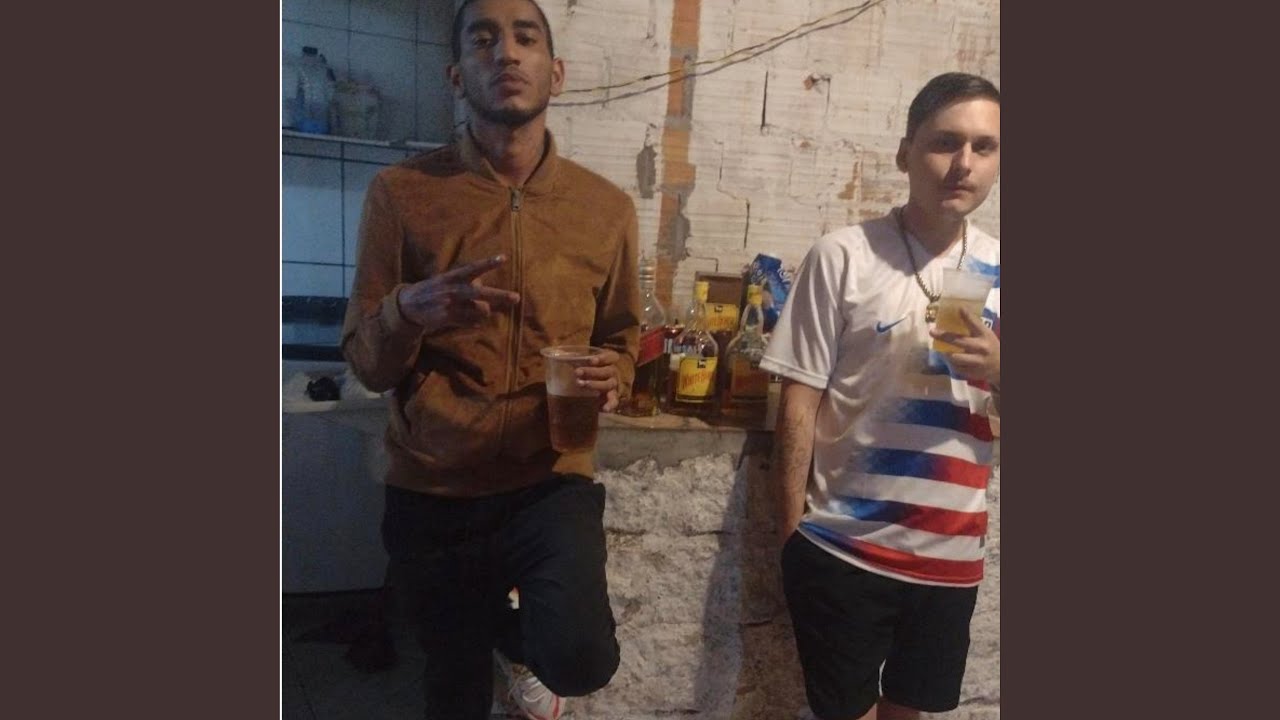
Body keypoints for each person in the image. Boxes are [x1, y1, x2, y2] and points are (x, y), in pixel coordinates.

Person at [340, 0, 640, 717]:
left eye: (524, 38)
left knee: (580, 659)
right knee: (453, 689)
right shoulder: (402, 194)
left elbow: (622, 338)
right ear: (455, 76)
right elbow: (367, 365)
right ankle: (487, 636)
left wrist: (619, 373)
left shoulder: (605, 209)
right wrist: (408, 311)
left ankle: (512, 641)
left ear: (555, 72)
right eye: (483, 40)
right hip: (434, 486)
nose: (505, 53)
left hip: (549, 480)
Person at [760, 72, 1001, 720]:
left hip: (951, 558)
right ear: (905, 154)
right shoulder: (843, 256)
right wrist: (791, 538)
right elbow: (799, 400)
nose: (964, 163)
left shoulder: (1002, 269)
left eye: (984, 146)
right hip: (844, 548)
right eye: (945, 142)